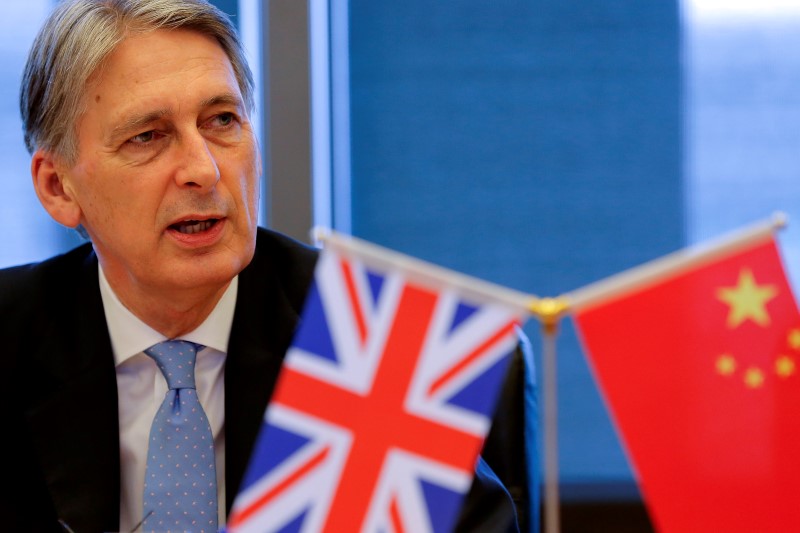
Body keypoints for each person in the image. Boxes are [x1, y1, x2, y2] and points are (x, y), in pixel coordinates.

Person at [0, 0, 533, 531]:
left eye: (222, 121)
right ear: (58, 187)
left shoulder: (369, 342)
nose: (203, 170)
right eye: (148, 136)